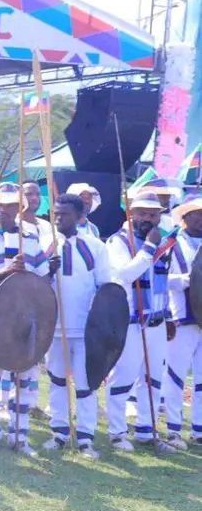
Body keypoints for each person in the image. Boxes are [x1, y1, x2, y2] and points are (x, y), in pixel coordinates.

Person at [0, 182, 57, 457]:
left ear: (20, 208)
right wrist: (5, 272)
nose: (4, 209)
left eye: (10, 205)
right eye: (0, 204)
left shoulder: (30, 237)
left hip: (24, 319)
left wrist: (45, 274)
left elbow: (42, 278)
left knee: (23, 381)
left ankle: (20, 435)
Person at [42, 193, 110, 459]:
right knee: (57, 381)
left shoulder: (95, 246)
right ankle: (59, 433)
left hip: (84, 329)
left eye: (65, 214)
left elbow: (106, 287)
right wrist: (48, 271)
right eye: (56, 213)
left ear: (80, 216)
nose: (59, 218)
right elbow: (33, 285)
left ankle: (85, 438)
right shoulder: (46, 244)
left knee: (85, 384)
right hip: (54, 326)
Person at [105, 191, 168, 452]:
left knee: (153, 379)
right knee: (124, 376)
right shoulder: (119, 241)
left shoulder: (162, 242)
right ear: (131, 214)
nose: (148, 219)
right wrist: (149, 248)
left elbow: (162, 283)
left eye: (153, 214)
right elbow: (124, 274)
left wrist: (168, 316)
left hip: (157, 320)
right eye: (142, 213)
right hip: (131, 321)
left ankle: (146, 430)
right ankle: (117, 432)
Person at [162, 193, 202, 449]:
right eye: (197, 214)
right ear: (185, 216)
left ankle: (199, 429)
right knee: (175, 375)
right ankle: (173, 429)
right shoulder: (170, 243)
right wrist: (185, 280)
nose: (201, 219)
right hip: (181, 317)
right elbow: (157, 279)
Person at [20, 181, 55, 251]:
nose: (34, 198)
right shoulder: (14, 226)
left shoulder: (47, 225)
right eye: (28, 194)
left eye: (38, 194)